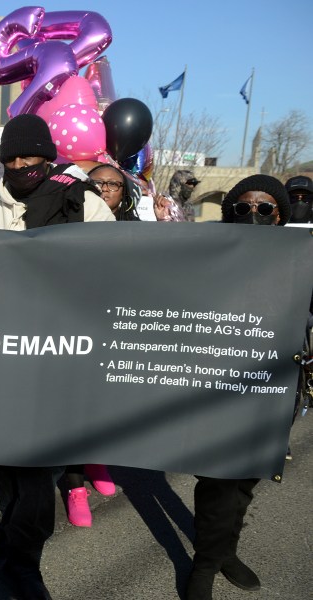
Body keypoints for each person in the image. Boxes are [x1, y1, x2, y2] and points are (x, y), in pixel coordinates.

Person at [0, 114, 114, 600]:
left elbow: (114, 268)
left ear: (49, 159)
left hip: (55, 363)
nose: (22, 165)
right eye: (13, 158)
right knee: (2, 466)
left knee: (35, 471)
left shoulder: (82, 201)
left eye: (31, 157)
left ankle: (26, 560)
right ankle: (7, 528)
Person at [185, 173, 291, 600]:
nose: (254, 215)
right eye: (242, 208)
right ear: (228, 214)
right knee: (217, 483)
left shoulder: (299, 261)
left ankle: (226, 551)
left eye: (265, 209)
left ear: (280, 216)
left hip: (273, 389)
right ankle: (204, 568)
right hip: (219, 391)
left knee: (246, 481)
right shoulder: (209, 259)